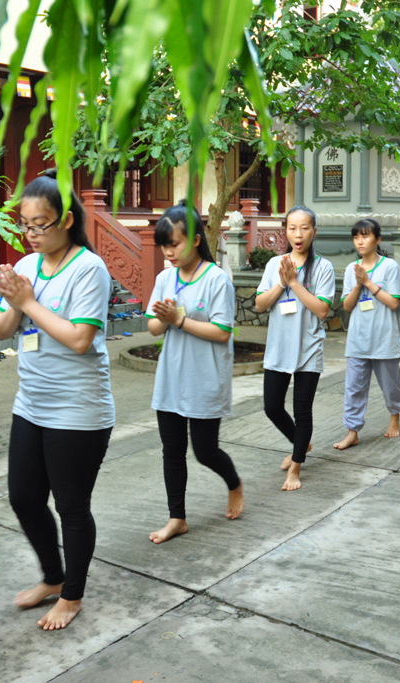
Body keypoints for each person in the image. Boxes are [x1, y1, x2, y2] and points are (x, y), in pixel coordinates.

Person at [0, 169, 115, 630]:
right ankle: (53, 575)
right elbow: (1, 331)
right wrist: (11, 300)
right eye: (25, 225)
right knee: (23, 498)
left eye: (39, 224)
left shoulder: (88, 268)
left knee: (71, 507)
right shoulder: (26, 267)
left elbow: (80, 339)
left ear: (65, 219)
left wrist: (28, 303)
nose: (31, 233)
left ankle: (72, 595)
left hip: (78, 409)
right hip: (31, 404)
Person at [144, 200, 244, 543]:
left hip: (205, 379)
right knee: (172, 451)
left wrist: (179, 320)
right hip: (171, 379)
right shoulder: (164, 278)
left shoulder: (216, 279)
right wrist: (164, 318)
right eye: (164, 246)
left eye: (174, 244)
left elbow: (222, 332)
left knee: (205, 451)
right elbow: (153, 328)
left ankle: (234, 484)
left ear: (196, 240)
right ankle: (177, 518)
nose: (168, 252)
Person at [255, 206, 335, 491]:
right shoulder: (274, 264)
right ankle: (301, 442)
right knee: (272, 407)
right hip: (279, 347)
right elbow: (260, 304)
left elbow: (322, 310)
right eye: (292, 228)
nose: (298, 234)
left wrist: (294, 282)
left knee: (302, 412)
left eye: (304, 228)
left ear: (314, 231)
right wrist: (281, 282)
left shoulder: (323, 267)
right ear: (285, 231)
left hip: (308, 348)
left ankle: (296, 467)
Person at [334, 218, 400, 449]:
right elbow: (347, 306)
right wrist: (358, 284)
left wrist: (368, 282)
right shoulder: (351, 269)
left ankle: (394, 417)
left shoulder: (389, 267)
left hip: (384, 339)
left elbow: (393, 303)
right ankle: (352, 431)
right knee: (354, 388)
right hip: (358, 340)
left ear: (378, 239)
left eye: (365, 236)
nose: (360, 241)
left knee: (391, 385)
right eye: (356, 237)